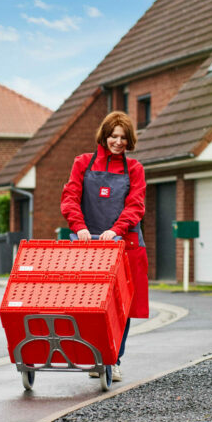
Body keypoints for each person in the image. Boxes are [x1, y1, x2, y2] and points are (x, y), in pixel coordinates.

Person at [61, 111, 149, 382]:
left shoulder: (134, 169)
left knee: (120, 307)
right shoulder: (83, 164)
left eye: (123, 138)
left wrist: (115, 230)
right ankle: (93, 356)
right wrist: (80, 228)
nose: (118, 142)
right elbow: (70, 198)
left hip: (124, 245)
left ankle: (114, 359)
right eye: (113, 136)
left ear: (129, 140)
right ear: (105, 136)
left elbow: (136, 205)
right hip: (87, 246)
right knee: (88, 305)